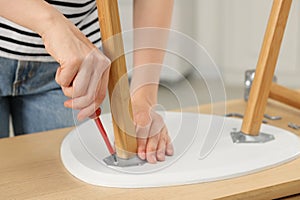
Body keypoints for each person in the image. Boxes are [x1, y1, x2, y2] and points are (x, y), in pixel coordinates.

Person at [0, 0, 174, 163]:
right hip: (65, 43)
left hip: (75, 60)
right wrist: (51, 24)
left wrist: (144, 98)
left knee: (62, 181)